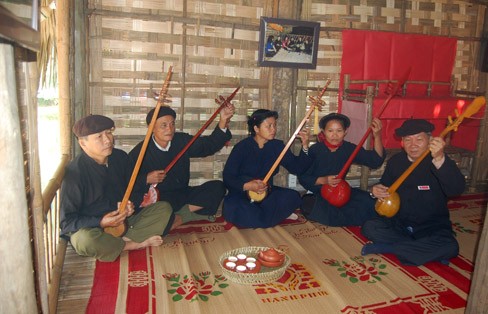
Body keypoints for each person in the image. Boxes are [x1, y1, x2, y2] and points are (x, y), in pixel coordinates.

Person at [60, 115, 175, 262]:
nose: (108, 140)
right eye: (99, 136)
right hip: (93, 228)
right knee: (85, 241)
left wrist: (129, 205)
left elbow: (132, 189)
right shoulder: (75, 173)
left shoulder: (119, 157)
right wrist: (101, 221)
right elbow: (67, 222)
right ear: (83, 143)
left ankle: (117, 243)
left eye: (109, 132)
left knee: (164, 209)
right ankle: (132, 244)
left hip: (124, 222)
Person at [361, 119, 465, 266]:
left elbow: (457, 189)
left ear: (430, 140)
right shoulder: (396, 161)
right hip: (400, 224)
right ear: (402, 142)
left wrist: (440, 158)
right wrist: (374, 190)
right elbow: (384, 186)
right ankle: (422, 250)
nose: (413, 145)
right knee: (370, 227)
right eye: (407, 140)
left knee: (451, 246)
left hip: (431, 226)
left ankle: (389, 248)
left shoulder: (439, 161)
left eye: (419, 139)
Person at [129, 105, 234, 227]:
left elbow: (207, 146)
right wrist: (145, 178)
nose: (170, 129)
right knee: (151, 210)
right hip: (161, 199)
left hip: (183, 194)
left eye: (172, 124)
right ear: (152, 128)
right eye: (164, 125)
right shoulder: (140, 151)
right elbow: (126, 181)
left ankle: (179, 217)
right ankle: (185, 215)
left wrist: (223, 120)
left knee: (217, 187)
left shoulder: (181, 140)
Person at [222, 109, 312, 228]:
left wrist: (305, 145)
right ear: (256, 129)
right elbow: (228, 177)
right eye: (268, 126)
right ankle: (271, 216)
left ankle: (263, 217)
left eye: (274, 125)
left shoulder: (277, 146)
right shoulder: (242, 147)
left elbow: (297, 168)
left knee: (293, 196)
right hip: (242, 193)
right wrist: (248, 186)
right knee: (233, 206)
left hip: (267, 192)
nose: (273, 129)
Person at [298, 113, 385, 226]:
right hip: (319, 192)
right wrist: (324, 180)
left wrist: (377, 136)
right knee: (308, 205)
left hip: (341, 193)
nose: (334, 135)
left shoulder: (349, 148)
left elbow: (375, 160)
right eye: (330, 131)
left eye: (339, 131)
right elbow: (303, 177)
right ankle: (347, 217)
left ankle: (337, 217)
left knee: (370, 201)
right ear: (323, 132)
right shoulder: (315, 150)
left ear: (345, 132)